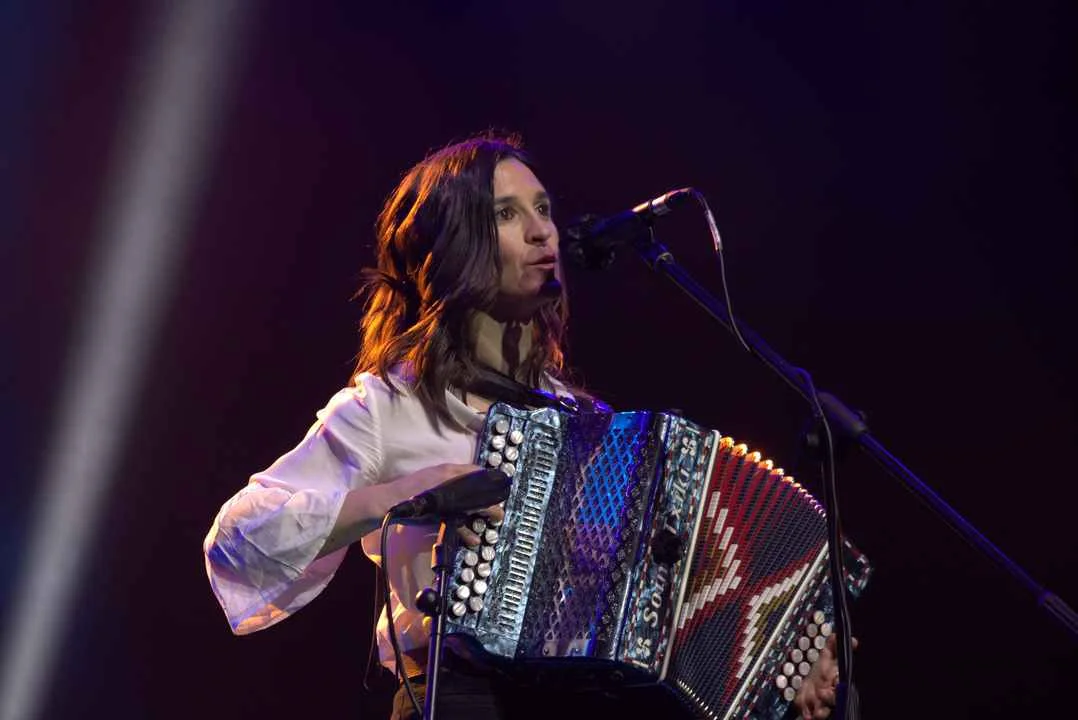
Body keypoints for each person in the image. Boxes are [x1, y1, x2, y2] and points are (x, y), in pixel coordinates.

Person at [203, 133, 846, 720]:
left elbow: (668, 604)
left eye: (543, 209)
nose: (543, 232)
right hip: (455, 703)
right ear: (453, 246)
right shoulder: (390, 406)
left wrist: (782, 658)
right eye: (507, 215)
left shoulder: (584, 422)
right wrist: (397, 497)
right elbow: (238, 539)